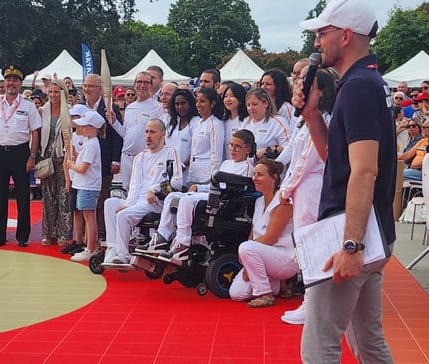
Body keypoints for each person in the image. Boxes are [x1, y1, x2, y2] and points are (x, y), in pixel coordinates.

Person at [296, 1, 403, 364]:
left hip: (352, 235)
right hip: (366, 232)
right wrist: (310, 115)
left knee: (320, 348)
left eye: (322, 32)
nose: (316, 40)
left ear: (345, 36)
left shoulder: (358, 88)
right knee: (370, 346)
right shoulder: (361, 84)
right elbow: (334, 157)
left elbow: (365, 170)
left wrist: (350, 245)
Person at [139, 129, 255, 261]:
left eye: (237, 146)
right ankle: (162, 237)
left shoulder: (247, 167)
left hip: (223, 200)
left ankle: (183, 243)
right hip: (213, 194)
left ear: (248, 149)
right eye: (231, 145)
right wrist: (199, 187)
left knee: (187, 200)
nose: (233, 149)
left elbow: (238, 190)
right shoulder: (226, 163)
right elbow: (214, 184)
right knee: (172, 196)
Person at [279, 68, 338, 325]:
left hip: (312, 187)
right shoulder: (306, 120)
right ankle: (313, 303)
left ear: (321, 91)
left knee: (312, 247)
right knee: (307, 246)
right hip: (304, 188)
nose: (299, 88)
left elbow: (306, 160)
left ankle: (312, 305)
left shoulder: (322, 120)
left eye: (307, 84)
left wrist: (286, 188)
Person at [102, 119, 182, 265]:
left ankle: (123, 255)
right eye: (146, 132)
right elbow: (135, 185)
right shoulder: (140, 157)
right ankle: (112, 248)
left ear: (162, 134)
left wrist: (154, 188)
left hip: (155, 202)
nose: (148, 136)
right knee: (110, 203)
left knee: (123, 215)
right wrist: (128, 203)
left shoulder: (171, 153)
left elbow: (177, 182)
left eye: (152, 132)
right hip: (138, 201)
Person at [0, 63, 42, 248]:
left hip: (20, 152)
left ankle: (23, 236)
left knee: (23, 196)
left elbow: (35, 132)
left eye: (15, 80)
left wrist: (32, 156)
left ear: (21, 83)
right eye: (8, 80)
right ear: (4, 82)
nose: (11, 83)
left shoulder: (28, 105)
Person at [227, 158, 297, 306]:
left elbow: (270, 238)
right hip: (265, 257)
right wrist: (248, 262)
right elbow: (253, 233)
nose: (254, 178)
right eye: (254, 174)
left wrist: (245, 254)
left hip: (286, 257)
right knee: (236, 294)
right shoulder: (259, 201)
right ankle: (279, 285)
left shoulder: (282, 202)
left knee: (245, 247)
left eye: (259, 175)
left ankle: (265, 295)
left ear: (274, 178)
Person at [76, 74, 123, 247]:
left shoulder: (110, 107)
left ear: (100, 89)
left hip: (104, 161)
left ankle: (102, 235)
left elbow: (117, 136)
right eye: (85, 86)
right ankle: (88, 238)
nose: (87, 89)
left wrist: (116, 160)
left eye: (91, 86)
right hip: (85, 161)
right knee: (86, 203)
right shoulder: (81, 107)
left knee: (102, 199)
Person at [106, 71, 164, 191]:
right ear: (134, 84)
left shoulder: (157, 108)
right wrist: (114, 122)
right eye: (139, 82)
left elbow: (161, 135)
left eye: (146, 82)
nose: (142, 85)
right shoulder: (130, 107)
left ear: (151, 85)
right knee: (128, 190)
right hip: (126, 156)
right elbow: (125, 134)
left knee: (142, 190)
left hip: (145, 158)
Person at [66, 111, 105, 262]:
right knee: (88, 217)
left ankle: (90, 248)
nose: (80, 129)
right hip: (85, 184)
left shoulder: (91, 144)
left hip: (88, 185)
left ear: (94, 128)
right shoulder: (90, 143)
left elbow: (82, 169)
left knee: (89, 218)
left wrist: (71, 165)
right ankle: (89, 247)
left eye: (84, 127)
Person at [37, 79, 73, 247]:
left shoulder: (70, 111)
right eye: (50, 92)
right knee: (48, 196)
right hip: (45, 156)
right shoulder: (42, 111)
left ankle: (64, 233)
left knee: (64, 195)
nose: (53, 95)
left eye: (56, 92)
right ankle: (49, 233)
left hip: (63, 156)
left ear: (63, 92)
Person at [187, 87, 225, 187]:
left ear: (212, 104)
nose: (198, 105)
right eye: (197, 101)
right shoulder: (198, 123)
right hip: (193, 174)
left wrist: (213, 178)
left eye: (202, 101)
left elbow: (216, 154)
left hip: (206, 177)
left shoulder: (215, 124)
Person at [241, 88, 291, 159]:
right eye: (248, 105)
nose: (251, 108)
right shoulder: (245, 122)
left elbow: (289, 146)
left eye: (254, 104)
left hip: (270, 167)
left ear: (266, 103)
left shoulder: (278, 122)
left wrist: (267, 150)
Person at [165, 89, 199, 184]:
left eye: (183, 103)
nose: (180, 107)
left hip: (187, 171)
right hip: (170, 171)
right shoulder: (171, 122)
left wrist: (184, 164)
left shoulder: (197, 122)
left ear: (190, 103)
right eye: (177, 104)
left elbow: (196, 149)